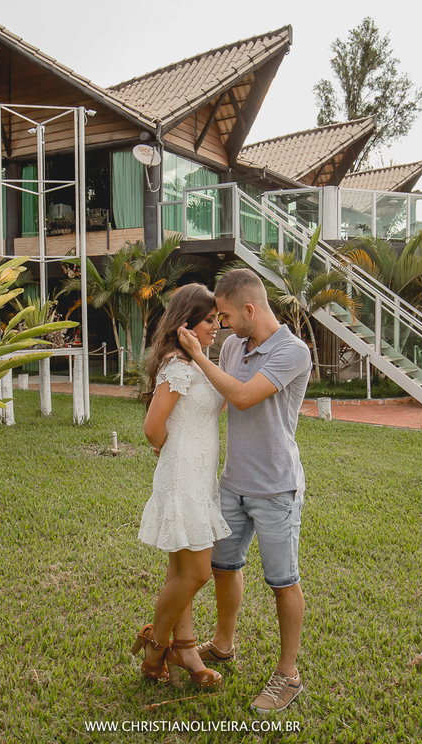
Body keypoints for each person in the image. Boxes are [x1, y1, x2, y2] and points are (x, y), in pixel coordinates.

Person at [176, 267, 312, 714]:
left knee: (282, 581)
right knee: (223, 565)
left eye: (227, 316)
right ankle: (223, 643)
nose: (222, 324)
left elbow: (243, 396)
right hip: (232, 483)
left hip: (275, 488)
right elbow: (215, 395)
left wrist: (199, 357)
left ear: (250, 309)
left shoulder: (293, 351)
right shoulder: (235, 345)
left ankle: (288, 675)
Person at [131, 283, 231, 689]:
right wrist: (167, 452)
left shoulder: (198, 362)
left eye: (217, 320)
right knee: (198, 572)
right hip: (183, 476)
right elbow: (152, 427)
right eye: (209, 320)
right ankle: (156, 645)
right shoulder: (177, 366)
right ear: (186, 324)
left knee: (179, 570)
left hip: (201, 474)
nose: (216, 327)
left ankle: (185, 648)